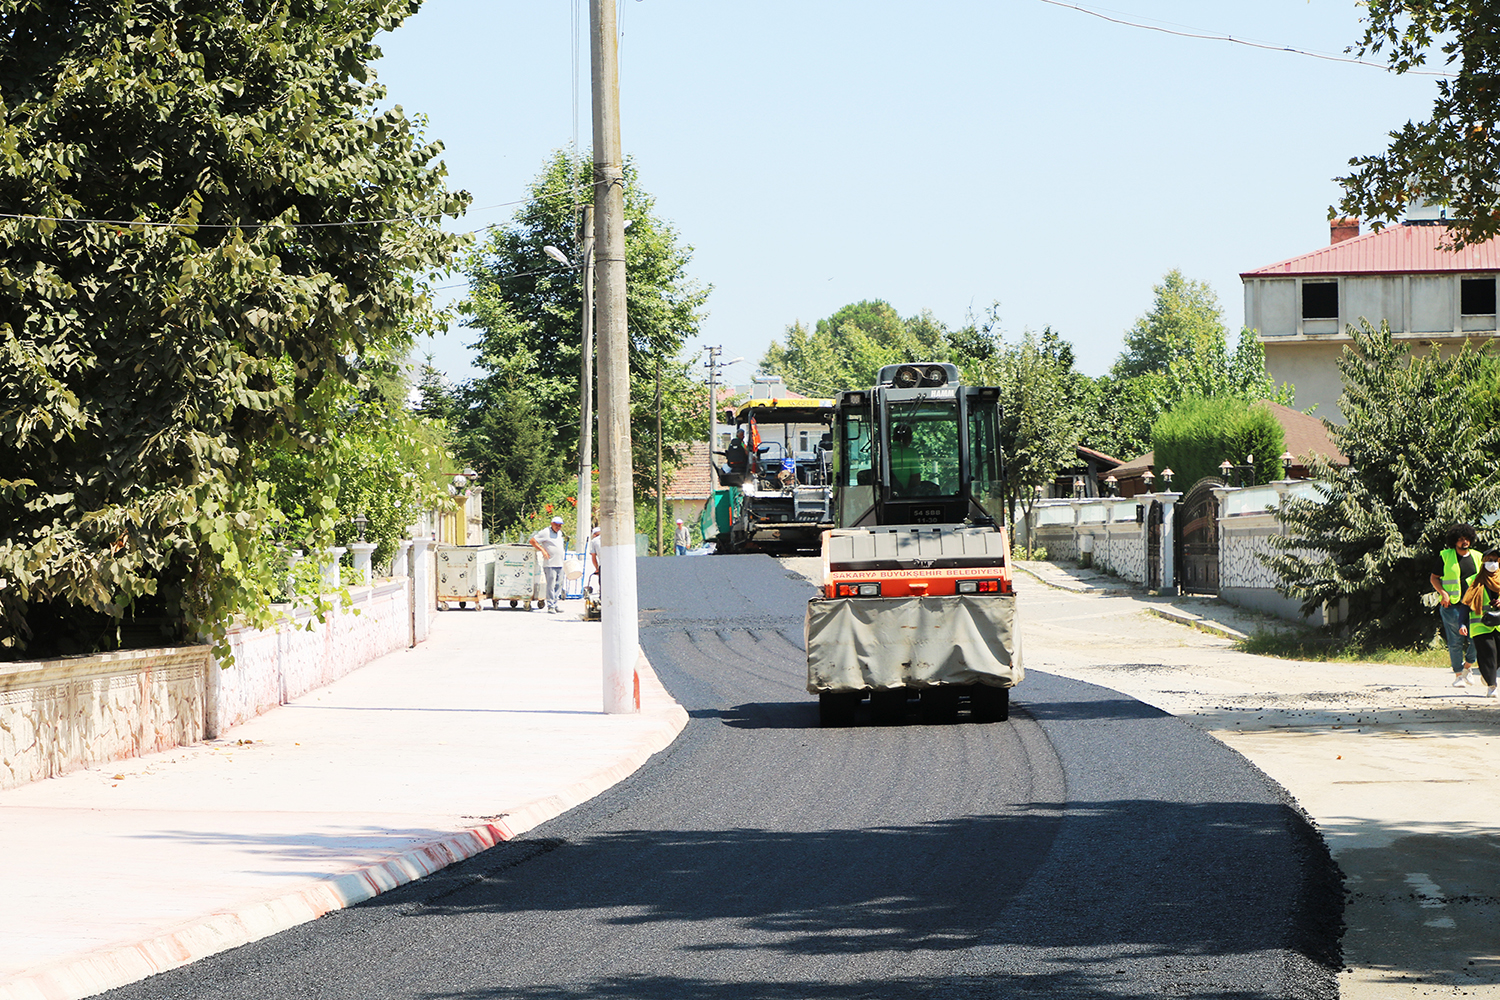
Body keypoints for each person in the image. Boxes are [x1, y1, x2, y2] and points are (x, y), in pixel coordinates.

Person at [1431, 523, 1481, 686]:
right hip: (1452, 606)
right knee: (1455, 641)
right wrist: (1443, 593)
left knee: (1476, 639)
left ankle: (1468, 667)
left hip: (1474, 606)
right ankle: (1459, 675)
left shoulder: (1478, 557)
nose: (1464, 542)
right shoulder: (1445, 556)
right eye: (1460, 539)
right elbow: (1434, 578)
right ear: (1454, 541)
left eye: (1466, 538)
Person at [1461, 548, 1500, 699]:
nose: (1492, 563)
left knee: (1497, 656)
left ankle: (1486, 674)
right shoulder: (1473, 581)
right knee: (1488, 653)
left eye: (1495, 560)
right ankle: (1492, 686)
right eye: (1489, 560)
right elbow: (1465, 605)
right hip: (1480, 625)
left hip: (1498, 624)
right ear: (1483, 562)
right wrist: (1462, 624)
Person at [529, 515, 567, 613]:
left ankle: (555, 603)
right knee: (551, 585)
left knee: (559, 584)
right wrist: (542, 550)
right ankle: (550, 606)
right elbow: (533, 541)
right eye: (557, 525)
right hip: (550, 563)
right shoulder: (545, 532)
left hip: (560, 563)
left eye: (560, 526)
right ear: (552, 524)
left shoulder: (560, 533)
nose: (558, 527)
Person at [889, 422, 922, 495]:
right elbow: (916, 478)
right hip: (903, 498)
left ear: (893, 438)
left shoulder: (884, 452)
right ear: (910, 439)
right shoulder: (912, 453)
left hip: (887, 494)